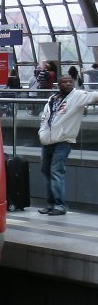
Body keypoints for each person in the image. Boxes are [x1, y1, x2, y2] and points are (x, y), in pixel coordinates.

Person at [37, 74, 98, 216]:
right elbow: (45, 118)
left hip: (63, 141)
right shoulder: (53, 99)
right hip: (47, 141)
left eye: (70, 81)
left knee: (56, 172)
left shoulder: (77, 96)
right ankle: (51, 204)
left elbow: (94, 96)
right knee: (46, 171)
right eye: (65, 82)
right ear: (58, 84)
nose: (68, 84)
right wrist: (42, 133)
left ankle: (60, 205)